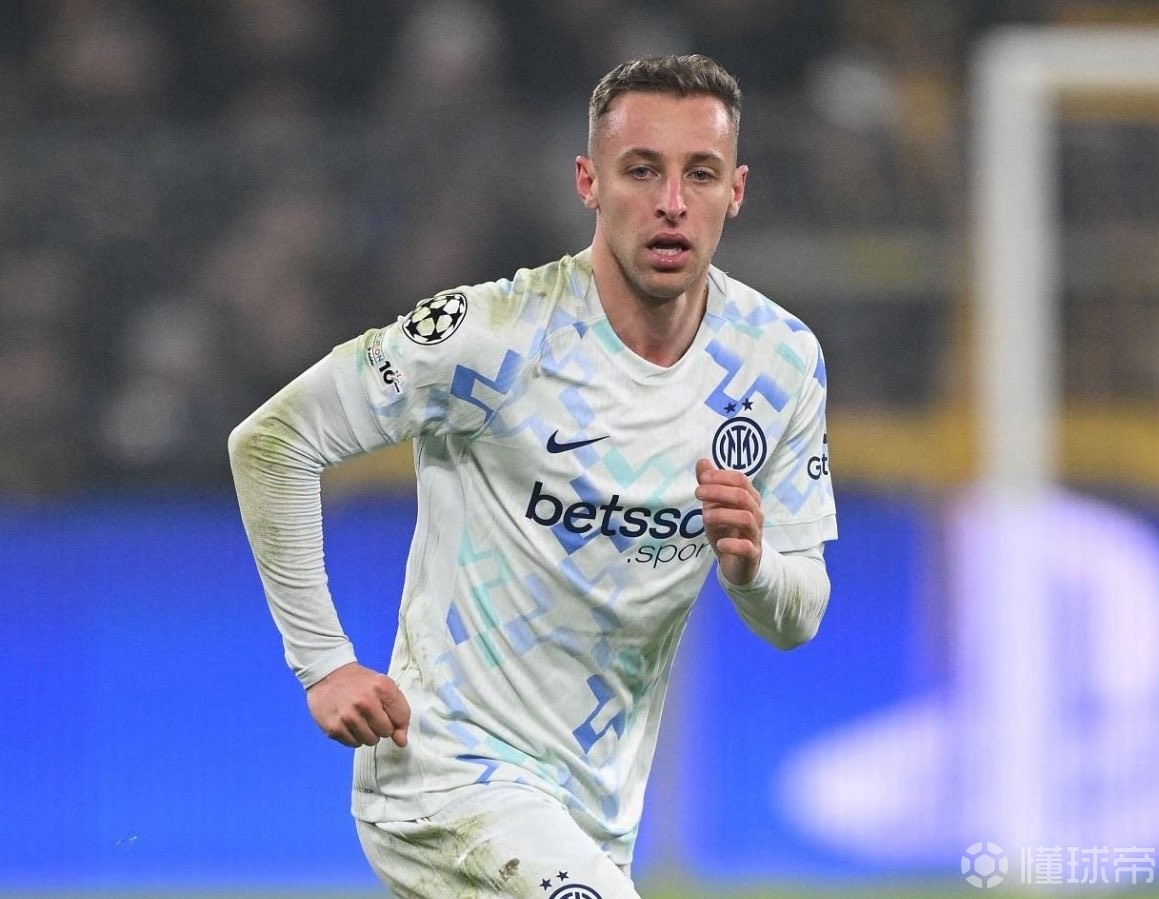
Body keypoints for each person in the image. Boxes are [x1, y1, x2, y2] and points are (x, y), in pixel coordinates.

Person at [229, 54, 836, 899]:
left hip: (590, 812)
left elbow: (798, 614)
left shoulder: (777, 361)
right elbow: (274, 440)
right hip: (445, 776)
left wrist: (750, 566)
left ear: (734, 192)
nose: (670, 202)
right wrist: (324, 662)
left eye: (699, 174)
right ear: (589, 182)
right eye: (641, 171)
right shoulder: (491, 337)